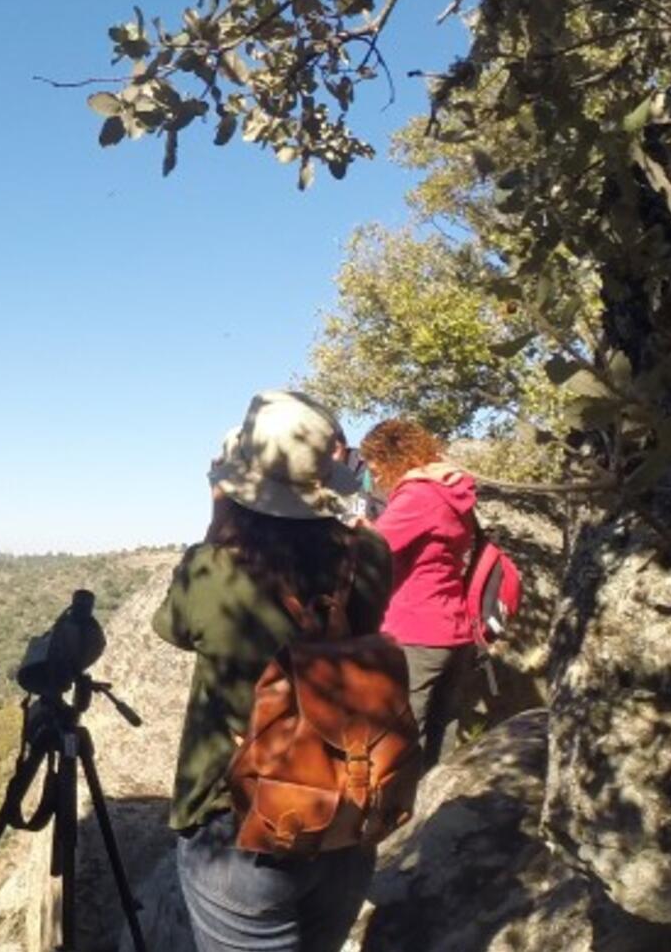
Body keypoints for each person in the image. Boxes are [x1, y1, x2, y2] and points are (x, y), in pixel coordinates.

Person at [154, 390, 395, 952]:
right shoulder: (370, 555)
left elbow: (172, 627)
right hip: (346, 809)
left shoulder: (211, 569)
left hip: (239, 821)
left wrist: (221, 515)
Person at [361, 417, 482, 769]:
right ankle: (435, 811)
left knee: (401, 738)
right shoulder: (453, 491)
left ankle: (400, 820)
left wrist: (358, 532)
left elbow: (374, 549)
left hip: (415, 630)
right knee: (441, 735)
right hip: (453, 628)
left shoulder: (418, 496)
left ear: (391, 458)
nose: (376, 478)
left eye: (375, 467)